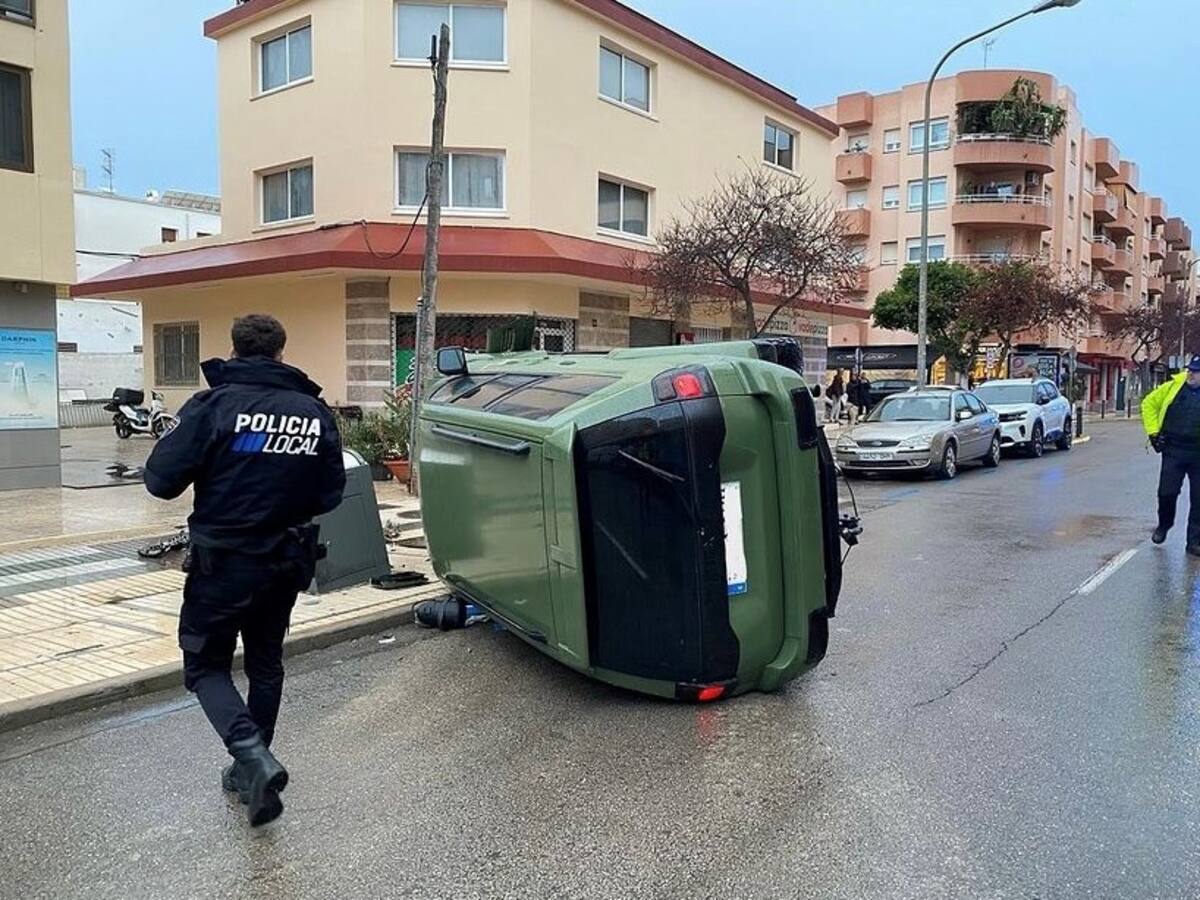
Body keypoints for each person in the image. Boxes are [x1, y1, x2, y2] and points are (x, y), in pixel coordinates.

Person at [143, 314, 346, 826]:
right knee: (265, 664)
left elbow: (159, 481)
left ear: (233, 350)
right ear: (281, 351)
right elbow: (331, 493)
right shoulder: (312, 411)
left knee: (206, 666)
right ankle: (251, 772)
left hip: (224, 564)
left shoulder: (213, 407)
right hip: (286, 562)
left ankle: (251, 756)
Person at [1143, 355, 1200, 555]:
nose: (1191, 374)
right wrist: (1153, 433)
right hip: (1174, 449)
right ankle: (1164, 524)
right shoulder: (1173, 387)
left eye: (1195, 371)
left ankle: (1194, 542)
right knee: (1167, 492)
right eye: (1190, 369)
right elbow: (1148, 404)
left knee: (1198, 499)